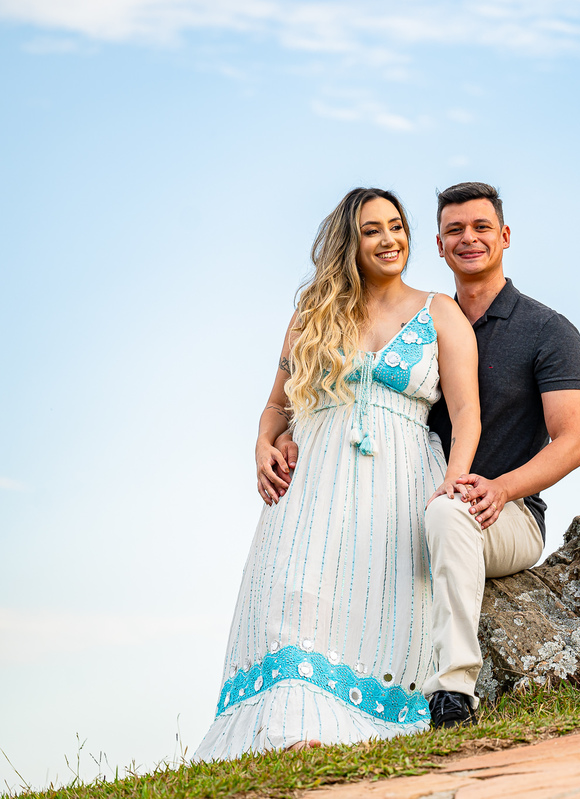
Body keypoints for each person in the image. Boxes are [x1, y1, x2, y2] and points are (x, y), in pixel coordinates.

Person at [193, 187, 480, 759]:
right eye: (372, 230)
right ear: (350, 241)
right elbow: (277, 406)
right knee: (293, 595)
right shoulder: (312, 315)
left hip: (400, 482)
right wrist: (262, 444)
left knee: (380, 605)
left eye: (396, 227)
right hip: (312, 481)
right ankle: (290, 729)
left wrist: (453, 482)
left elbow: (467, 413)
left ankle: (367, 725)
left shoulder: (439, 312)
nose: (389, 240)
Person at [421, 182, 580, 728]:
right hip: (424, 500)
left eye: (481, 227)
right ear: (439, 245)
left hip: (509, 515)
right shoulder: (422, 328)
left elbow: (573, 442)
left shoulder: (548, 330)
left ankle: (453, 695)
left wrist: (502, 488)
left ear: (505, 236)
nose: (468, 238)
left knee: (451, 513)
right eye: (454, 230)